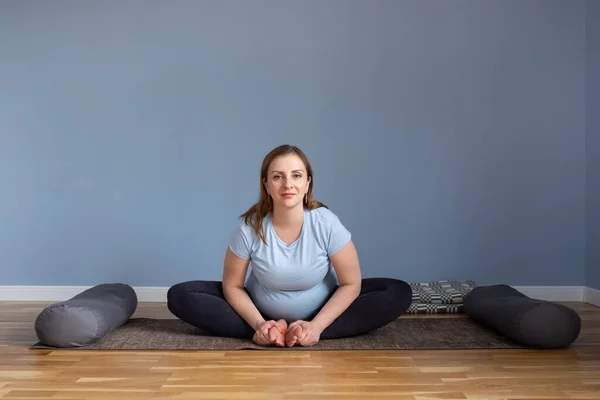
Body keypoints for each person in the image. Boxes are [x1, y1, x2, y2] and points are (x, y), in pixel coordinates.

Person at [167, 144, 412, 347]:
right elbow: (233, 286)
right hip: (260, 315)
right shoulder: (249, 228)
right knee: (180, 295)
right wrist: (259, 324)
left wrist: (316, 325)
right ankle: (271, 331)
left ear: (307, 183)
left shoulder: (326, 222)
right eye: (278, 177)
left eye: (296, 175)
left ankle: (305, 332)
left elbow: (351, 283)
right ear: (266, 185)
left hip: (320, 314)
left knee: (397, 292)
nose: (288, 184)